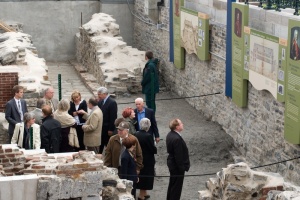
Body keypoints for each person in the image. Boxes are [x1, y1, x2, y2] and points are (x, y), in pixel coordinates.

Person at [166, 119, 190, 200]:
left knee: (172, 185)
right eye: (181, 123)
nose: (182, 124)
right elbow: (178, 155)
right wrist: (182, 168)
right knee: (176, 188)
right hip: (176, 166)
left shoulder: (170, 134)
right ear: (177, 127)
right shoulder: (177, 139)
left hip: (172, 164)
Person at [135, 118, 157, 200]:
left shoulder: (136, 134)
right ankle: (141, 195)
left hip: (139, 158)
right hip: (147, 160)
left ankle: (144, 193)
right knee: (146, 178)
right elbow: (152, 149)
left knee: (142, 176)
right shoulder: (148, 136)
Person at [97, 87, 118, 153]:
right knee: (100, 144)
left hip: (107, 127)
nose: (98, 96)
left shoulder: (112, 103)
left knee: (108, 145)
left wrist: (111, 129)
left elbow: (113, 117)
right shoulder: (100, 102)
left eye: (99, 94)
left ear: (104, 94)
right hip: (101, 127)